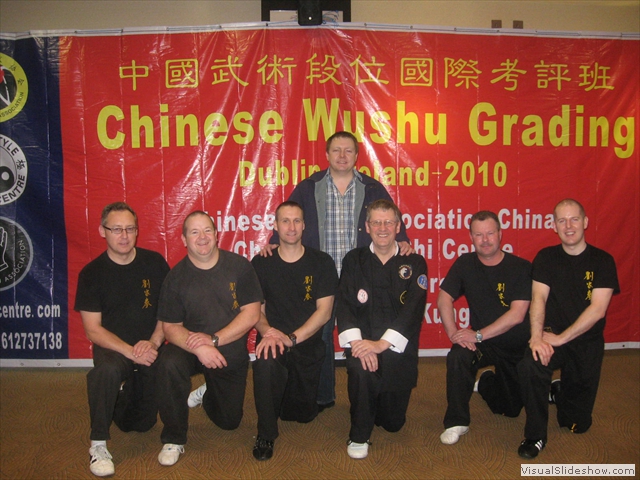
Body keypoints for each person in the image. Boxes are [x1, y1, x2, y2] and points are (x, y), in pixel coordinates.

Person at [264, 131, 412, 412]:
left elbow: (389, 215)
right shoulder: (310, 187)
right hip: (321, 278)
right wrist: (273, 244)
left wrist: (402, 237)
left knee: (365, 332)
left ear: (357, 155)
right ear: (327, 154)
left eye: (348, 151)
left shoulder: (372, 188)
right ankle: (321, 397)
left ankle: (371, 395)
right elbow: (289, 216)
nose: (342, 156)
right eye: (336, 150)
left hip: (361, 276)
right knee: (319, 336)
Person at [154, 211, 262, 466]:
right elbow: (170, 327)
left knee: (229, 422)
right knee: (168, 362)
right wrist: (200, 347)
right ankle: (174, 438)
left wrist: (213, 341)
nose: (202, 237)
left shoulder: (239, 266)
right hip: (189, 347)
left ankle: (208, 392)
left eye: (207, 231)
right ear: (184, 239)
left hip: (226, 346)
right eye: (194, 232)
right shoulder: (176, 277)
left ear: (216, 234)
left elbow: (252, 313)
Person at [517, 199, 619, 459]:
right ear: (554, 226)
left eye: (574, 219)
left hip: (586, 341)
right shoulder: (546, 258)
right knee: (532, 363)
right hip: (551, 334)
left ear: (585, 222)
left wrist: (563, 338)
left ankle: (559, 390)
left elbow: (598, 309)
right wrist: (537, 338)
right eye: (562, 220)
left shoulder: (602, 261)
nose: (569, 225)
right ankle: (535, 435)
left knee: (576, 425)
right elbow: (538, 299)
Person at [74, 202, 170, 477]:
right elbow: (93, 330)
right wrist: (129, 351)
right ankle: (99, 443)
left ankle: (122, 395)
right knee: (106, 372)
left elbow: (168, 313)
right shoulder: (92, 274)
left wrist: (152, 342)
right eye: (116, 229)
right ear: (103, 231)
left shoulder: (154, 263)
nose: (124, 236)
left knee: (138, 424)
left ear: (137, 231)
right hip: (115, 350)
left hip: (150, 347)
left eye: (130, 229)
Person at [336, 199, 427, 459]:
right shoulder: (354, 260)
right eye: (376, 222)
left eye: (388, 222)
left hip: (397, 351)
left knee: (392, 424)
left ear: (398, 226)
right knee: (362, 370)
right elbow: (345, 305)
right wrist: (359, 345)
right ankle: (358, 436)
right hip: (363, 346)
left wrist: (381, 345)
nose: (382, 228)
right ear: (367, 226)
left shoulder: (416, 262)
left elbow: (413, 312)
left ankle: (371, 404)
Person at [249, 201, 339, 460]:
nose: (291, 227)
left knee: (300, 415)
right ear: (275, 226)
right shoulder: (261, 263)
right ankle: (265, 434)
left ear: (304, 226)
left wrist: (292, 338)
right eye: (285, 221)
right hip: (272, 339)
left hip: (306, 343)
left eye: (297, 221)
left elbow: (324, 311)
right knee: (265, 361)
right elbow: (257, 312)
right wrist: (270, 334)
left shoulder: (321, 262)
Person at [438, 210, 532, 446]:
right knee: (459, 355)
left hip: (516, 346)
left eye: (490, 233)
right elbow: (443, 299)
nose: (485, 239)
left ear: (500, 234)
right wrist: (454, 334)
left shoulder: (521, 267)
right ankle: (456, 421)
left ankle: (487, 381)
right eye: (479, 235)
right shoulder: (465, 263)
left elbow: (517, 314)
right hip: (484, 344)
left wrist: (478, 334)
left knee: (510, 410)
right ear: (471, 237)